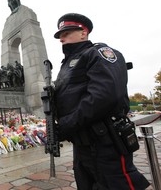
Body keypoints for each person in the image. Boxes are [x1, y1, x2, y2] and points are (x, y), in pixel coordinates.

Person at [53, 13, 150, 189]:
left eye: (66, 33)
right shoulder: (66, 65)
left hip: (105, 140)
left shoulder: (99, 53)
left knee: (116, 184)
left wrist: (68, 123)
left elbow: (104, 96)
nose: (61, 39)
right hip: (82, 142)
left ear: (83, 32)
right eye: (60, 35)